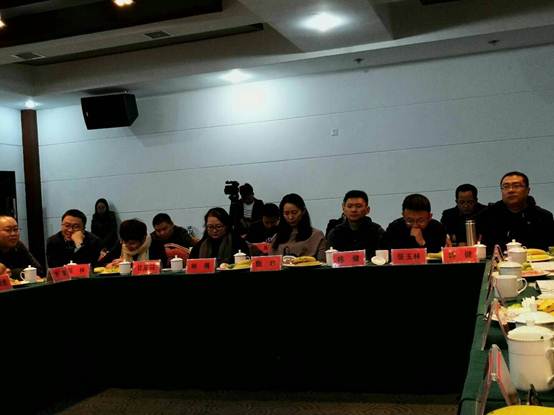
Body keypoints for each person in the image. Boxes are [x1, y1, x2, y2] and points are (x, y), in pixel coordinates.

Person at [477, 171, 554, 251]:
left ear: (527, 190)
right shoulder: (488, 214)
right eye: (506, 187)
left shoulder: (543, 216)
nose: (510, 190)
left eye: (516, 186)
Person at [327, 190, 385, 258]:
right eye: (349, 206)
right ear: (343, 208)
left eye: (358, 206)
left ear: (367, 210)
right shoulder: (335, 233)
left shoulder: (377, 231)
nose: (353, 210)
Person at [269, 193, 327, 261]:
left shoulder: (317, 235)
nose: (290, 217)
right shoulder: (276, 238)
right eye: (286, 213)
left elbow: (323, 263)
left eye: (294, 212)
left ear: (303, 211)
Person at [101, 219, 167, 267]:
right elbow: (100, 264)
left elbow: (161, 265)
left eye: (132, 243)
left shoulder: (156, 244)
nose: (127, 246)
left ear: (143, 239)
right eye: (125, 242)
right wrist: (110, 264)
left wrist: (128, 265)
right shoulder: (121, 245)